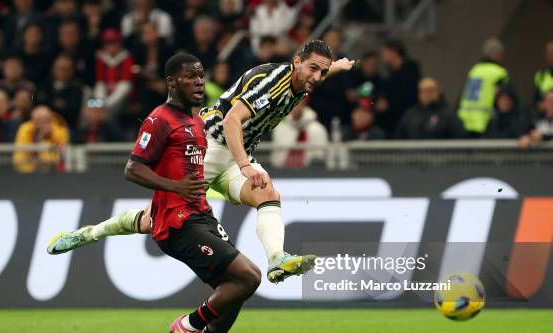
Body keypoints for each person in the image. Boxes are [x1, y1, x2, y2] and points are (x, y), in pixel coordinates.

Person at [47, 40, 356, 284]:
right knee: (156, 220)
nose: (317, 77)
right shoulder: (271, 81)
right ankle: (90, 233)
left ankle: (276, 259)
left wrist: (339, 66)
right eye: (313, 68)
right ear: (296, 62)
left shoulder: (303, 80)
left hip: (237, 155)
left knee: (268, 195)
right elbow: (234, 119)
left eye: (324, 72)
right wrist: (246, 166)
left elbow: (317, 74)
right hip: (206, 147)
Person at [52, 53, 258, 333]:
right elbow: (133, 169)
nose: (199, 82)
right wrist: (173, 187)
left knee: (235, 289)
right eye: (190, 76)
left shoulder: (195, 121)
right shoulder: (159, 119)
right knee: (249, 276)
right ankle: (189, 326)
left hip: (200, 215)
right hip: (177, 223)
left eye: (201, 76)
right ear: (172, 81)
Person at [457, 38, 509, 137]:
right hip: (486, 122)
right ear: (497, 54)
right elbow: (503, 97)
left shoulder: (475, 70)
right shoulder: (499, 72)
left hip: (466, 121)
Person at [395, 77, 465, 139]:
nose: (427, 94)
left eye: (431, 90)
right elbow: (397, 137)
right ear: (419, 94)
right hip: (413, 153)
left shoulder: (448, 115)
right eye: (423, 91)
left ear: (438, 92)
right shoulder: (410, 115)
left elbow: (461, 138)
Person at [271, 98, 328, 168]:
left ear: (304, 103)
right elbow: (276, 160)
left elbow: (320, 159)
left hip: (310, 174)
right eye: (292, 103)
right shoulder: (280, 129)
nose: (295, 106)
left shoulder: (317, 129)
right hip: (284, 173)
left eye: (298, 103)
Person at [12, 105, 69, 173]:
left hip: (54, 174)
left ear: (50, 120)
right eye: (38, 120)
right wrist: (38, 139)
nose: (41, 125)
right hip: (29, 174)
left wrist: (45, 140)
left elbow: (61, 157)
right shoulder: (25, 129)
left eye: (45, 120)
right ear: (33, 120)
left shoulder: (60, 131)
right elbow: (19, 158)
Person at [533, 40, 553, 110]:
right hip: (545, 117)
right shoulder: (541, 76)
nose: (551, 56)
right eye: (549, 53)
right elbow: (536, 102)